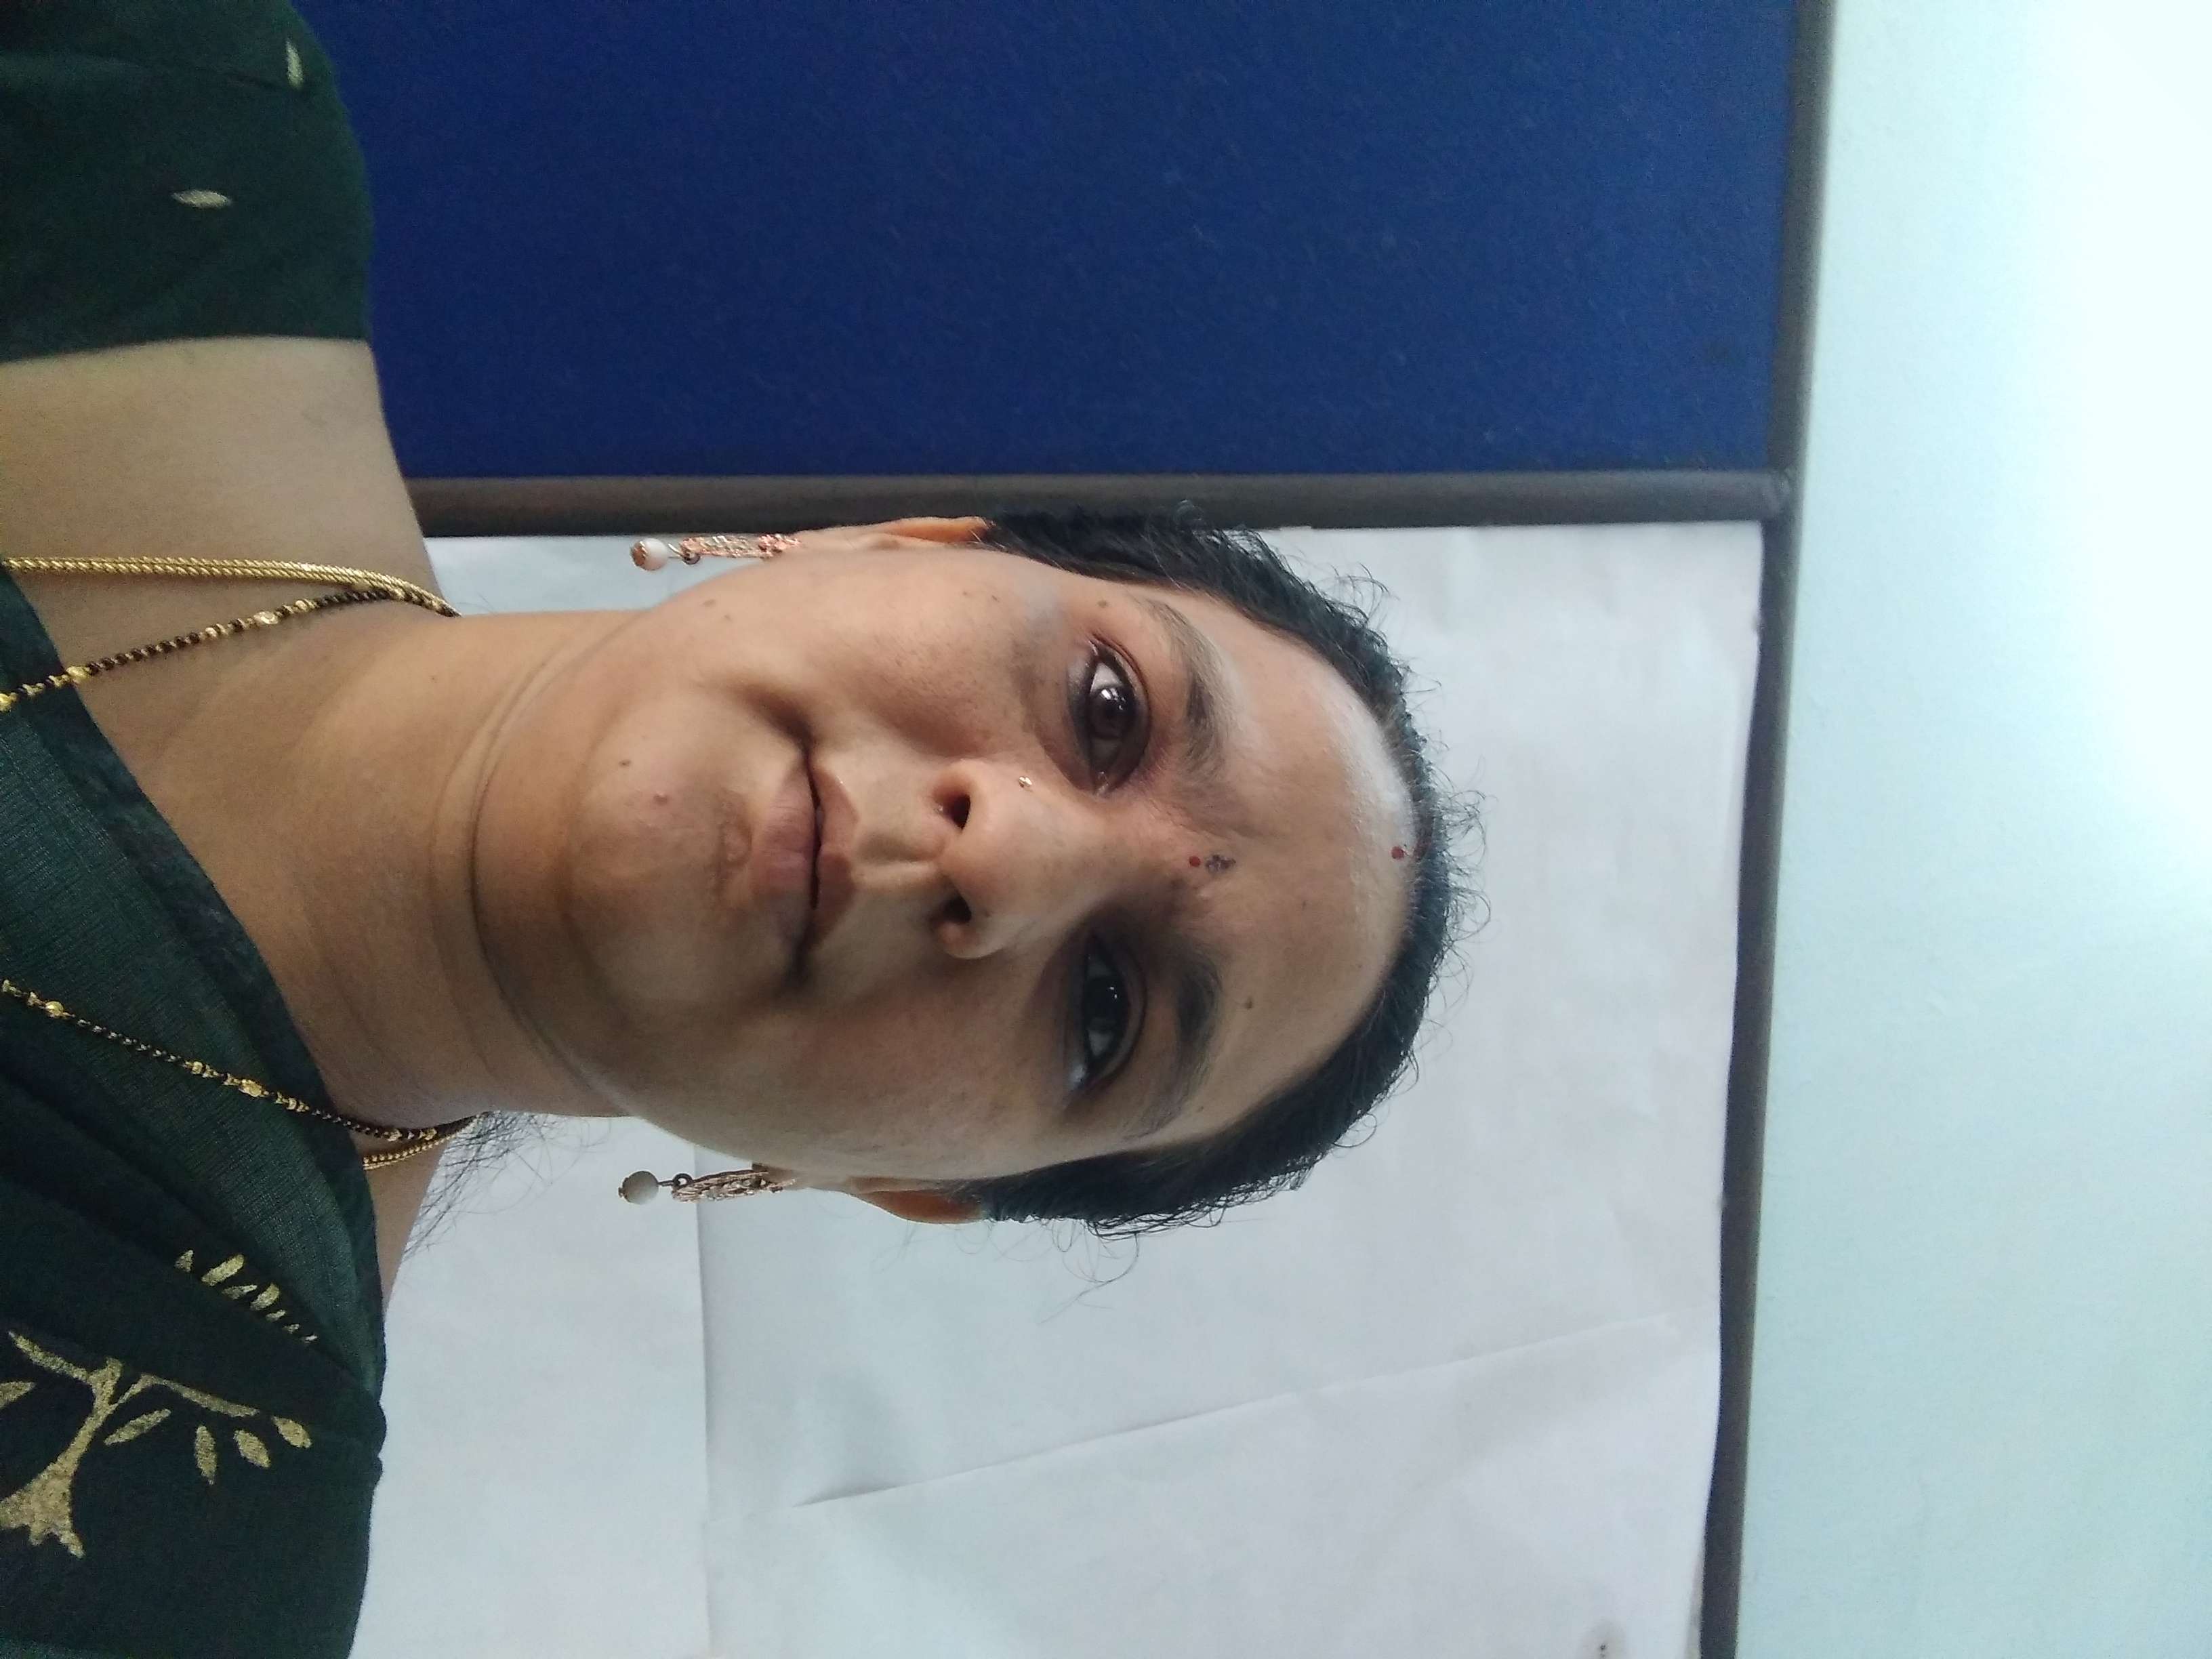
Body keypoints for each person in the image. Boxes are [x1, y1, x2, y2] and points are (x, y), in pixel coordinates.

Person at [0, 2, 1470, 1654]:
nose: (1009, 858)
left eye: (1107, 1014)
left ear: (897, 1183)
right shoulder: (152, 109)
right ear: (892, 542)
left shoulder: (156, 1556)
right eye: (1109, 708)